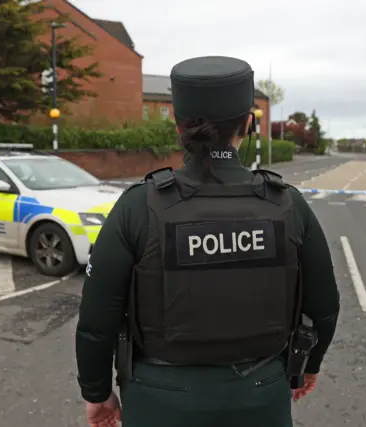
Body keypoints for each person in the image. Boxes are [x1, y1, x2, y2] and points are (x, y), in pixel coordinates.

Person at [75, 55, 340, 427]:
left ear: (179, 128)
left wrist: (97, 393)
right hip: (261, 394)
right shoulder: (287, 203)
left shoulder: (138, 205)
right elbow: (325, 305)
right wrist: (307, 368)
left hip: (158, 400)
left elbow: (96, 320)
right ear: (247, 125)